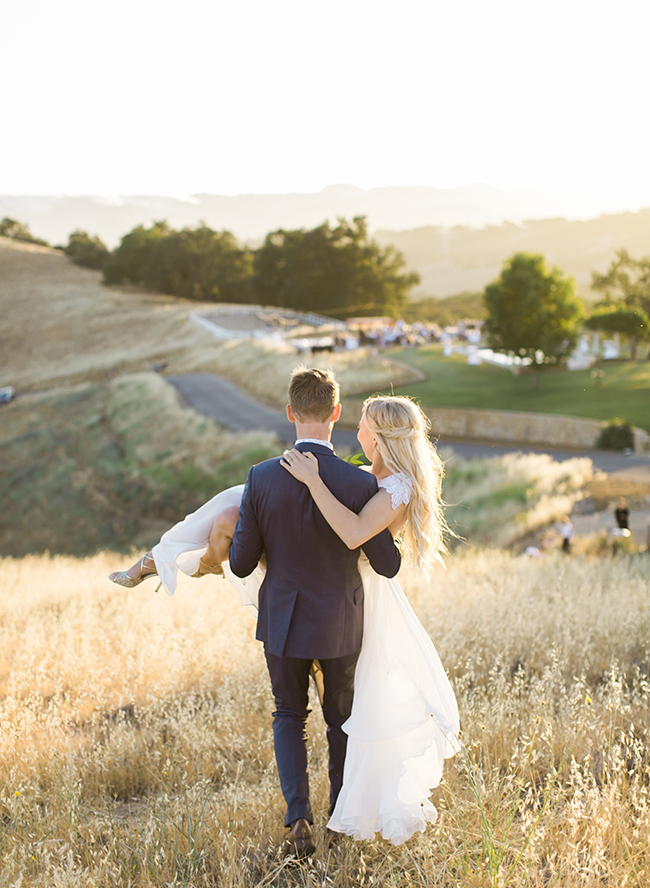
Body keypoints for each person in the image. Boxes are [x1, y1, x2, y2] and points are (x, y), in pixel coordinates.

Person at [108, 369, 459, 849]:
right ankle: (339, 815)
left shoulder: (261, 477)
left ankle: (298, 819)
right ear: (335, 414)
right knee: (341, 720)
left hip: (283, 616)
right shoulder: (361, 486)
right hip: (342, 620)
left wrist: (232, 551)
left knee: (288, 714)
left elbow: (244, 560)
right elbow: (384, 561)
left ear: (290, 413)